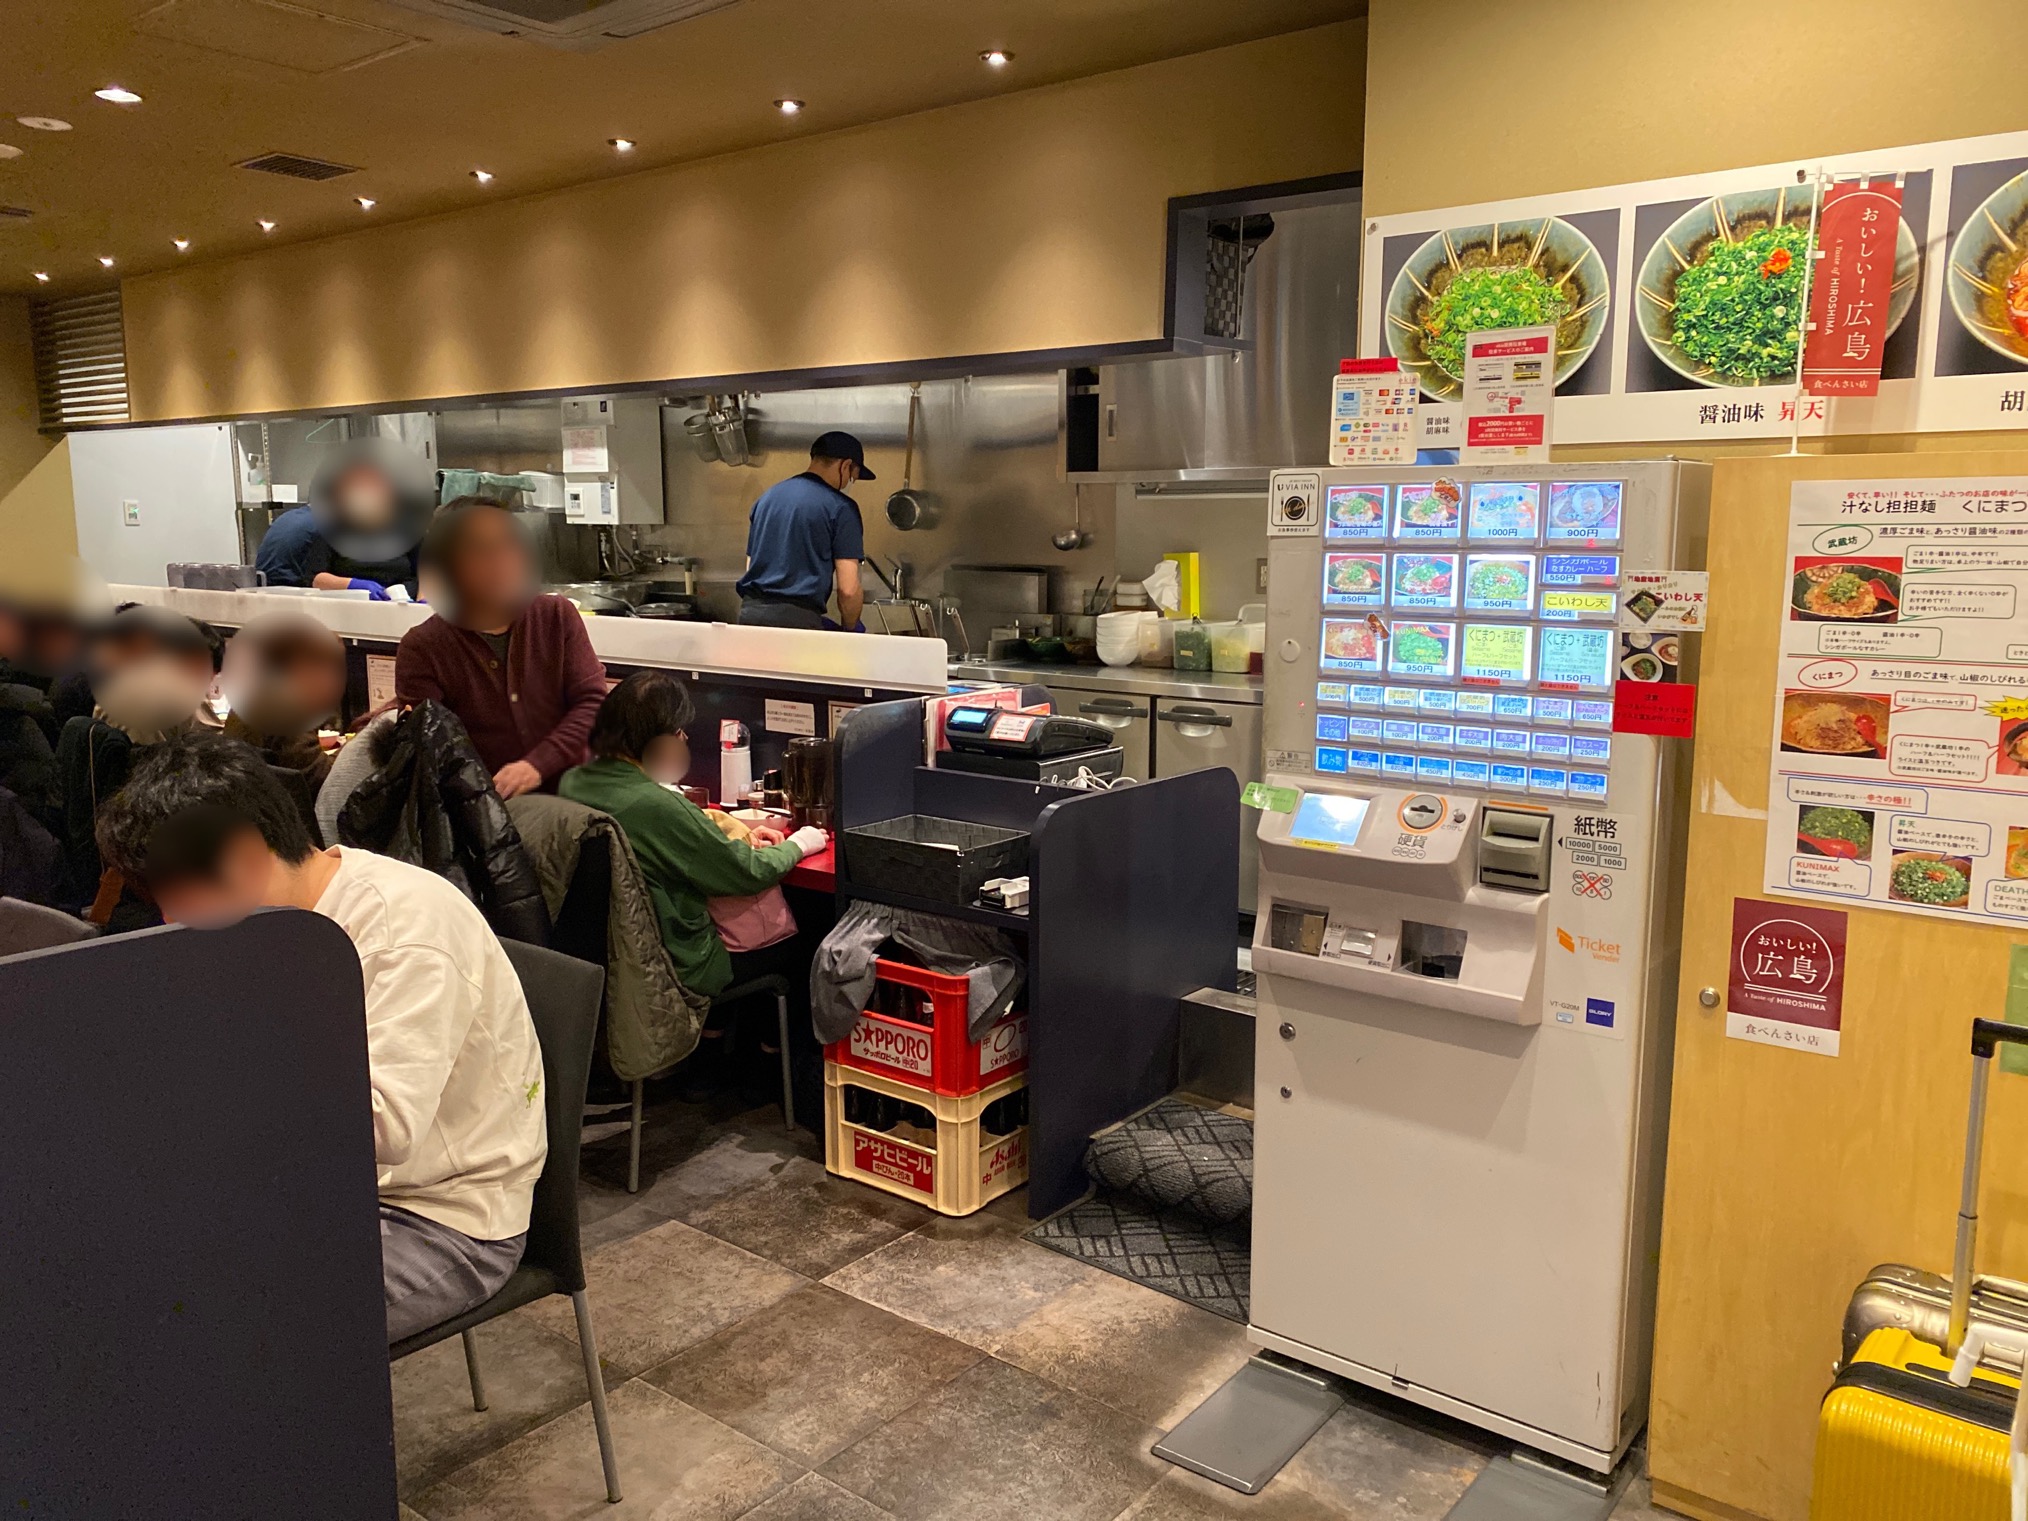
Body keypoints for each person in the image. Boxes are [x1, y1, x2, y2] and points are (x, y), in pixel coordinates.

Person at [96, 733, 547, 1343]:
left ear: (245, 856)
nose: (169, 919)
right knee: (122, 1263)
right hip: (323, 1185)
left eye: (173, 893)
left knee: (206, 1330)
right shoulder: (278, 924)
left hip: (443, 1216)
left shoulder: (401, 931)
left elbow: (382, 1126)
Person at [560, 670, 827, 1100]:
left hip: (603, 956)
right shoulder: (655, 804)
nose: (685, 739)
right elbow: (745, 872)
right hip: (677, 960)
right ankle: (768, 1078)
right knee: (805, 942)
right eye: (679, 732)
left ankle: (709, 1060)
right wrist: (800, 844)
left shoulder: (582, 782)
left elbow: (691, 841)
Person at [396, 497, 609, 800]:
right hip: (484, 809)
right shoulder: (423, 647)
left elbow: (593, 703)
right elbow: (431, 751)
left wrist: (536, 766)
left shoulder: (555, 615)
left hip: (575, 797)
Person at [734, 430, 872, 631]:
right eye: (853, 477)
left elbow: (751, 565)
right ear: (845, 466)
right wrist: (850, 630)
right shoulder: (841, 508)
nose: (849, 483)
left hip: (750, 617)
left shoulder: (766, 499)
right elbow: (848, 590)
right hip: (797, 624)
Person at [255, 442, 427, 600]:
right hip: (350, 608)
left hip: (403, 607)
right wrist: (353, 585)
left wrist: (422, 602)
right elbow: (314, 578)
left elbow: (428, 572)